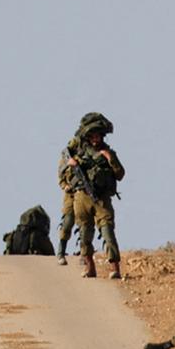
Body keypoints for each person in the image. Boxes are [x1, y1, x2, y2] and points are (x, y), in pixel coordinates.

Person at [64, 115, 125, 279]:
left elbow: (120, 174)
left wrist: (110, 159)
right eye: (93, 136)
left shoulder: (108, 153)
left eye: (98, 136)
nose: (95, 139)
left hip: (102, 200)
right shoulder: (78, 156)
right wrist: (71, 166)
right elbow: (66, 179)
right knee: (84, 235)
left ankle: (115, 268)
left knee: (107, 232)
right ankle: (89, 267)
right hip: (82, 198)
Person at [54, 112, 104, 264]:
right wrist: (66, 185)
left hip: (86, 191)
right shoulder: (74, 146)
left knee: (85, 225)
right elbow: (61, 168)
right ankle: (61, 251)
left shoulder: (98, 148)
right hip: (72, 191)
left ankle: (84, 254)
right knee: (68, 221)